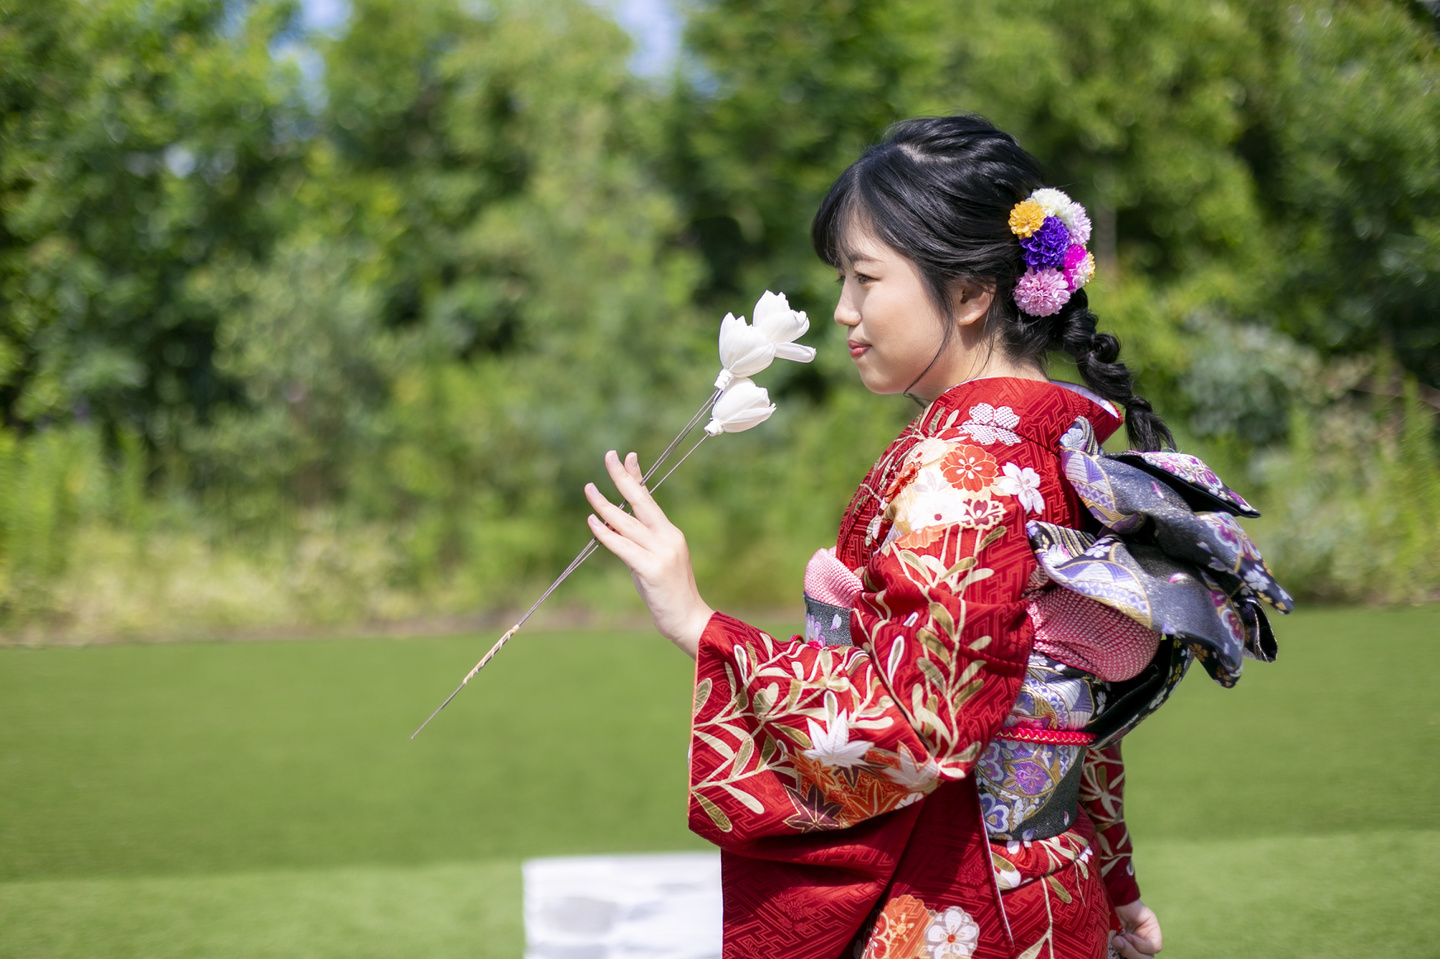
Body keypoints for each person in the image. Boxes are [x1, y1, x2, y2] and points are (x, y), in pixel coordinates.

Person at [584, 115, 1184, 959]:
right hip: (1051, 882)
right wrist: (1115, 882)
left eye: (864, 278)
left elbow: (916, 721)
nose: (842, 311)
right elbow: (1079, 718)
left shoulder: (963, 473)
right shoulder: (1061, 443)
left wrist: (700, 624)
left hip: (954, 895)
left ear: (973, 293)